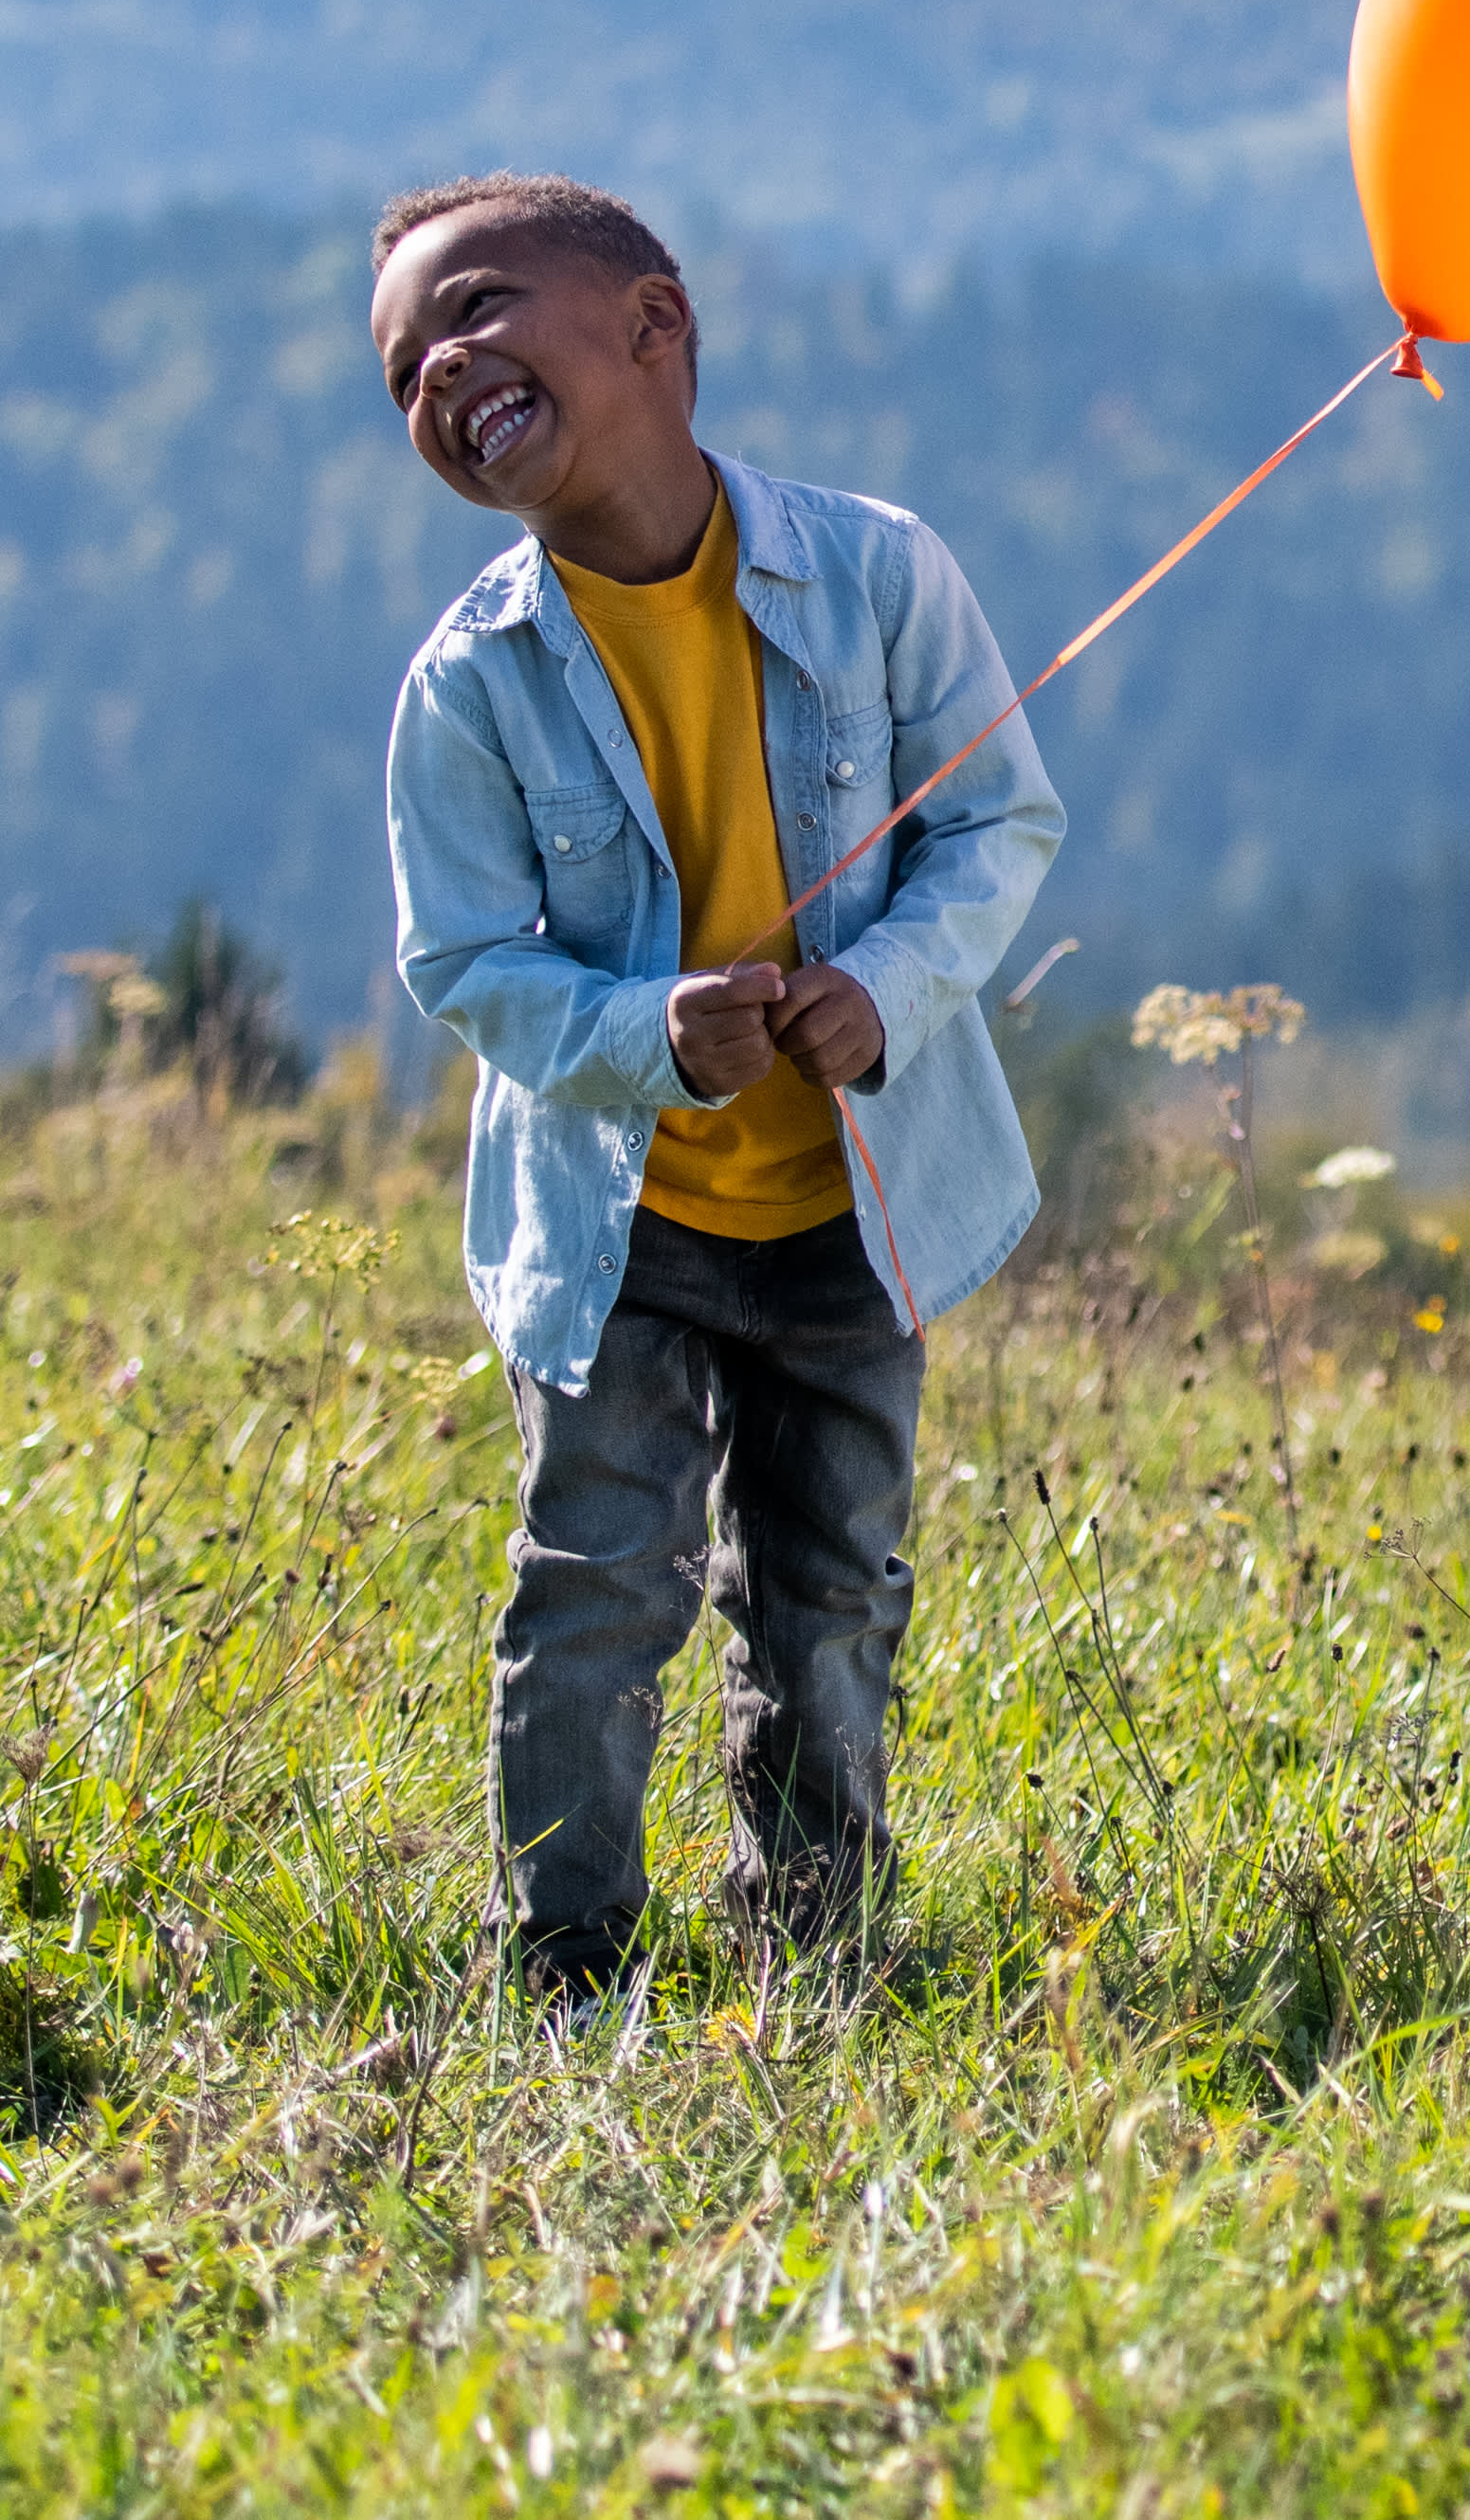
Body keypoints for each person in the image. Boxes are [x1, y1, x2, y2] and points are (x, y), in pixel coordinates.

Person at [367, 172, 1063, 1996]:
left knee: (831, 1594)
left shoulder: (880, 573)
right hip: (625, 1223)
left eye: (479, 311)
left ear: (653, 325)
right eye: (403, 368)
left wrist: (889, 990)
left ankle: (813, 1958)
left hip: (857, 1203)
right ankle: (566, 1960)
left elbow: (997, 820)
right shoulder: (473, 677)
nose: (440, 369)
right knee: (594, 1589)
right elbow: (457, 958)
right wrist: (640, 1031)